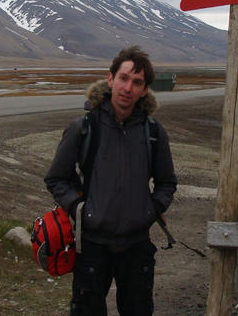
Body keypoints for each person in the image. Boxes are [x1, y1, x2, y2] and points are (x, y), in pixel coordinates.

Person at [45, 46, 177, 315]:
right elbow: (57, 178)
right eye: (123, 78)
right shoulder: (83, 127)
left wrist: (150, 211)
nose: (128, 88)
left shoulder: (153, 132)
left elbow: (167, 183)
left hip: (137, 246)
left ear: (144, 90)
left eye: (137, 82)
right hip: (92, 245)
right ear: (110, 79)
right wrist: (81, 210)